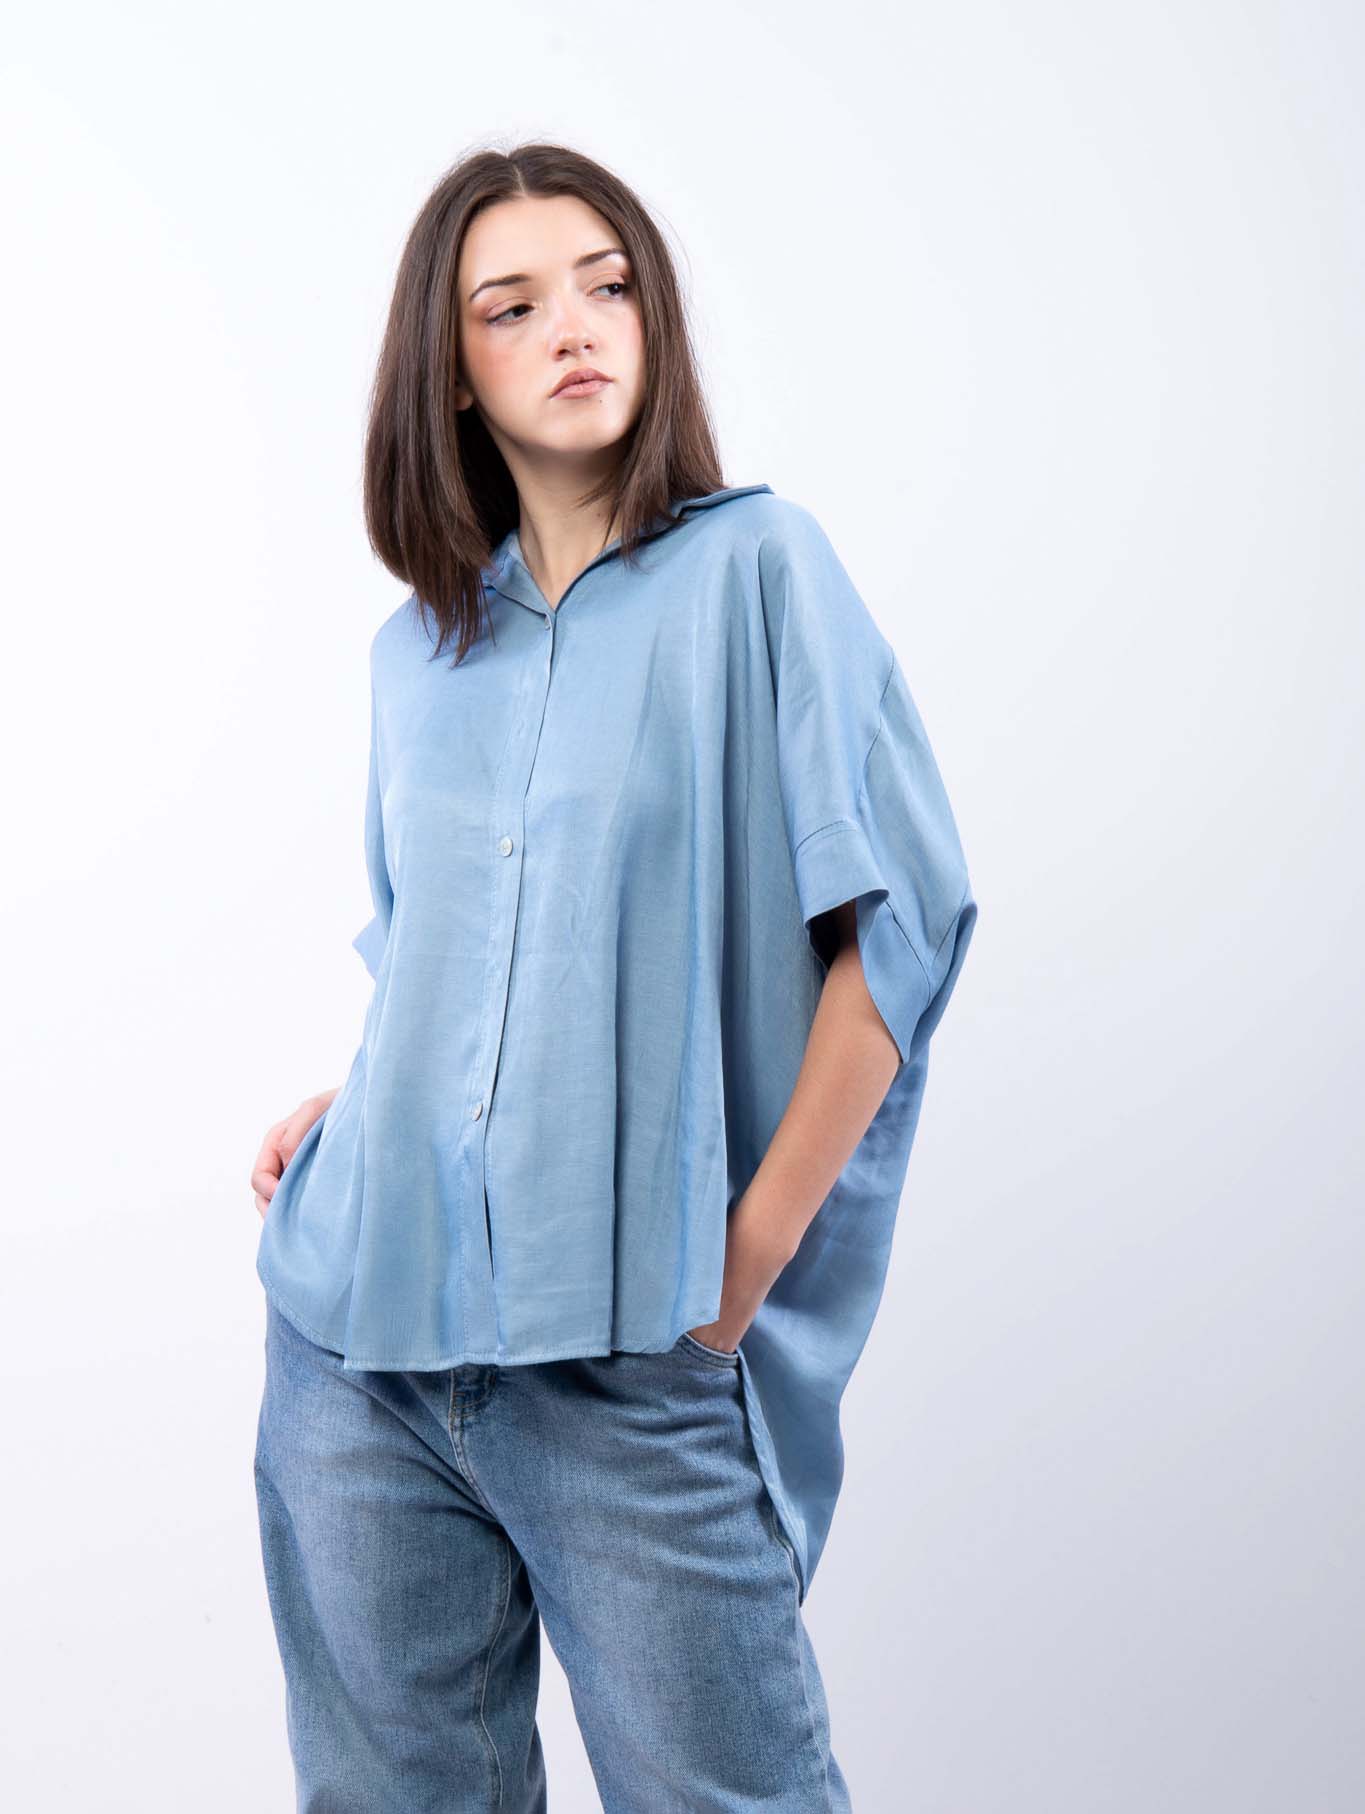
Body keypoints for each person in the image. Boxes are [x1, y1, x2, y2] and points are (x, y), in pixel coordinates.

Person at [250, 141, 978, 1813]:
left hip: (632, 1350)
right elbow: (451, 951)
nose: (573, 327)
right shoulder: (417, 655)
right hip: (356, 1345)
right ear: (450, 374)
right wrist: (369, 1097)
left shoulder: (757, 571)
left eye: (607, 284)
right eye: (510, 306)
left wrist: (747, 1253)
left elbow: (896, 936)